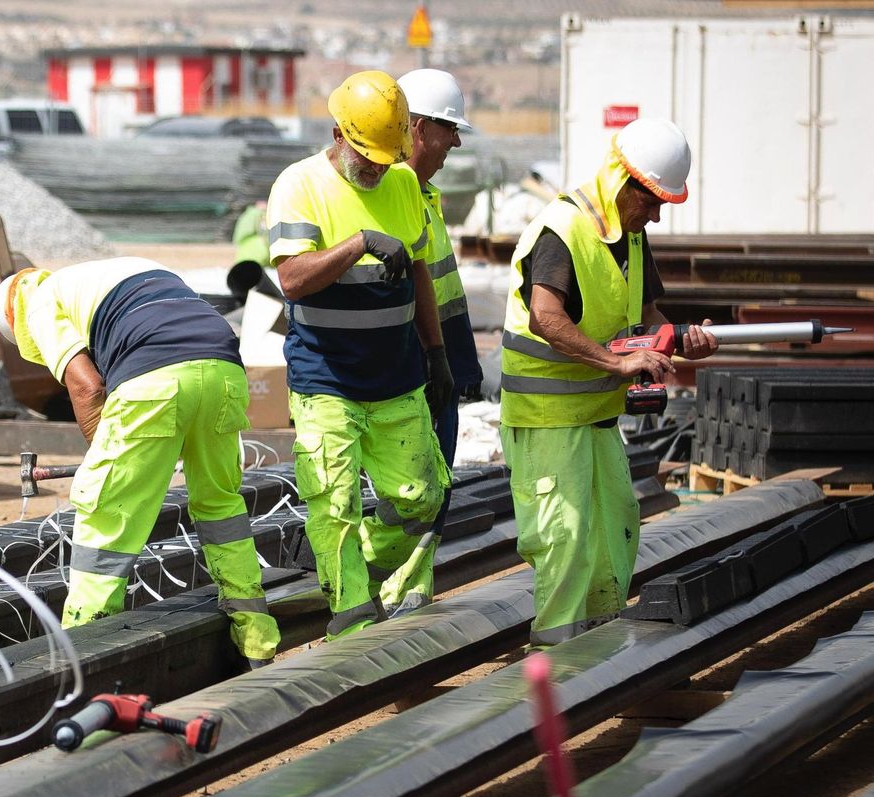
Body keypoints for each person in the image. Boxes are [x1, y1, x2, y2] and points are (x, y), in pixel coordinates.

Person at [0, 258, 280, 667]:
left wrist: (109, 460)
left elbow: (87, 386)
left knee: (105, 515)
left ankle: (84, 655)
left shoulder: (36, 302)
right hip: (224, 371)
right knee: (220, 506)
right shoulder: (111, 275)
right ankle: (257, 642)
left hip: (156, 377)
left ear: (13, 319)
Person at [499, 117, 715, 647]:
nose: (657, 214)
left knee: (616, 527)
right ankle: (555, 657)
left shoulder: (631, 237)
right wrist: (618, 364)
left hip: (596, 417)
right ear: (624, 183)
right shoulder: (562, 231)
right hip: (547, 420)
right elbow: (546, 317)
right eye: (652, 201)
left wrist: (681, 338)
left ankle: (596, 646)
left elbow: (648, 315)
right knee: (565, 538)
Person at [264, 70, 452, 639]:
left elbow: (419, 272)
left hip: (397, 378)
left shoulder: (402, 185)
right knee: (333, 502)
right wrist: (358, 244)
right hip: (326, 380)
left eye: (383, 158)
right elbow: (292, 280)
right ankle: (349, 615)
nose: (374, 169)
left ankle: (377, 575)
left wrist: (436, 353)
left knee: (422, 498)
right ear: (338, 133)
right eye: (365, 157)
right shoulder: (299, 186)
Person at [395, 69, 484, 527]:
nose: (456, 142)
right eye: (450, 129)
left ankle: (417, 592)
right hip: (415, 373)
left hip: (438, 366)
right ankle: (401, 593)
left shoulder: (425, 194)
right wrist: (431, 359)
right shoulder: (394, 194)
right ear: (418, 128)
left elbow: (441, 289)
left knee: (435, 492)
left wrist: (456, 362)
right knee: (417, 497)